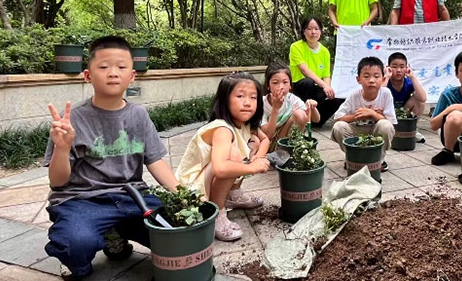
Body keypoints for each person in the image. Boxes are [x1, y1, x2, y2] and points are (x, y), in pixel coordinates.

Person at [44, 36, 180, 280]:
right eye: (104, 66)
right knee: (76, 243)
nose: (113, 73)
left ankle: (115, 232)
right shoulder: (72, 120)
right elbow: (57, 182)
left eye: (121, 67)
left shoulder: (138, 115)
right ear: (88, 76)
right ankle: (78, 261)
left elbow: (155, 161)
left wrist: (183, 195)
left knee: (177, 229)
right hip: (82, 200)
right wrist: (62, 149)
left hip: (132, 197)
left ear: (132, 76)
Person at [175, 72, 270, 241]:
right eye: (240, 96)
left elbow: (265, 140)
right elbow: (220, 169)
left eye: (253, 97)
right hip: (193, 190)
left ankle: (233, 195)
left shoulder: (245, 124)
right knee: (233, 154)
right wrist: (251, 167)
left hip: (208, 180)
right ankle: (216, 213)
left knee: (253, 142)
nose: (247, 102)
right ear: (225, 100)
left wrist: (259, 157)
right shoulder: (222, 129)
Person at [331, 56, 397, 171]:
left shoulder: (386, 94)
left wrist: (372, 114)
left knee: (385, 125)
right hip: (357, 131)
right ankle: (352, 157)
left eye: (376, 76)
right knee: (339, 127)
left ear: (383, 79)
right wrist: (356, 116)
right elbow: (337, 117)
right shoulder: (354, 96)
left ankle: (379, 159)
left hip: (375, 130)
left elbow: (391, 121)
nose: (371, 80)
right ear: (358, 79)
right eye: (366, 76)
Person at [290, 16, 344, 126]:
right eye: (309, 29)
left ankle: (317, 121)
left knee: (339, 96)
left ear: (320, 31)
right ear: (303, 31)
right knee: (308, 82)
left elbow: (326, 75)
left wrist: (328, 90)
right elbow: (305, 71)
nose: (313, 32)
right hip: (301, 87)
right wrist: (324, 86)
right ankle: (303, 118)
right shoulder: (296, 47)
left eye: (316, 28)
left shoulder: (325, 51)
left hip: (317, 88)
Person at [261, 62, 319, 150]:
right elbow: (268, 135)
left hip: (284, 139)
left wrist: (312, 108)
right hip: (267, 144)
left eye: (285, 82)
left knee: (300, 114)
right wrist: (275, 108)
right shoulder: (261, 103)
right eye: (275, 83)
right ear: (268, 86)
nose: (281, 87)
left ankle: (291, 149)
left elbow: (316, 119)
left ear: (290, 85)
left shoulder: (292, 99)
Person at [384, 52, 427, 143]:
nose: (398, 70)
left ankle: (411, 129)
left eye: (402, 67)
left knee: (419, 101)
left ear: (407, 68)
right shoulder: (385, 82)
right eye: (394, 67)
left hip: (403, 112)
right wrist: (387, 77)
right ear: (388, 68)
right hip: (388, 115)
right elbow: (377, 96)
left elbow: (423, 98)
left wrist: (412, 77)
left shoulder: (408, 82)